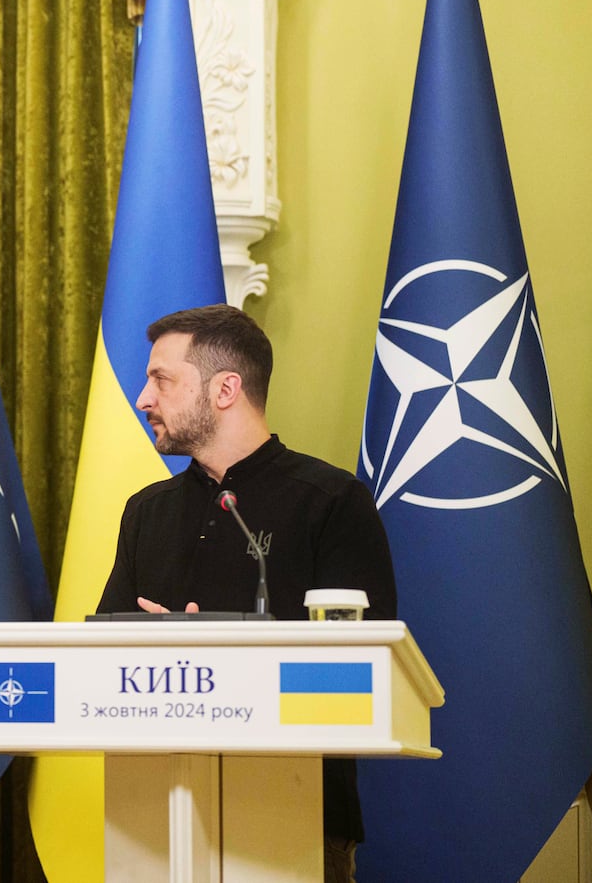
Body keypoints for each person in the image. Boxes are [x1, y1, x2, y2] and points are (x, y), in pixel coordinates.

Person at [94, 304, 394, 883]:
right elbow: (103, 647)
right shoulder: (144, 512)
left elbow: (366, 667)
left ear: (225, 388)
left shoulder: (330, 502)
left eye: (161, 379)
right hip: (155, 812)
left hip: (297, 812)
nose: (142, 398)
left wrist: (224, 648)